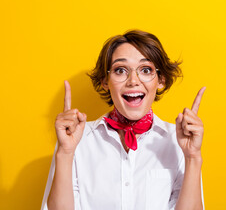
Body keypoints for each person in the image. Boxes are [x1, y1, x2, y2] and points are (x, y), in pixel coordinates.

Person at [41, 29, 206, 210]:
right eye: (120, 70)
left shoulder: (178, 142)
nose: (133, 80)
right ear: (105, 80)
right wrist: (65, 152)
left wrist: (192, 157)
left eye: (145, 70)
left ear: (161, 80)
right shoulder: (75, 141)